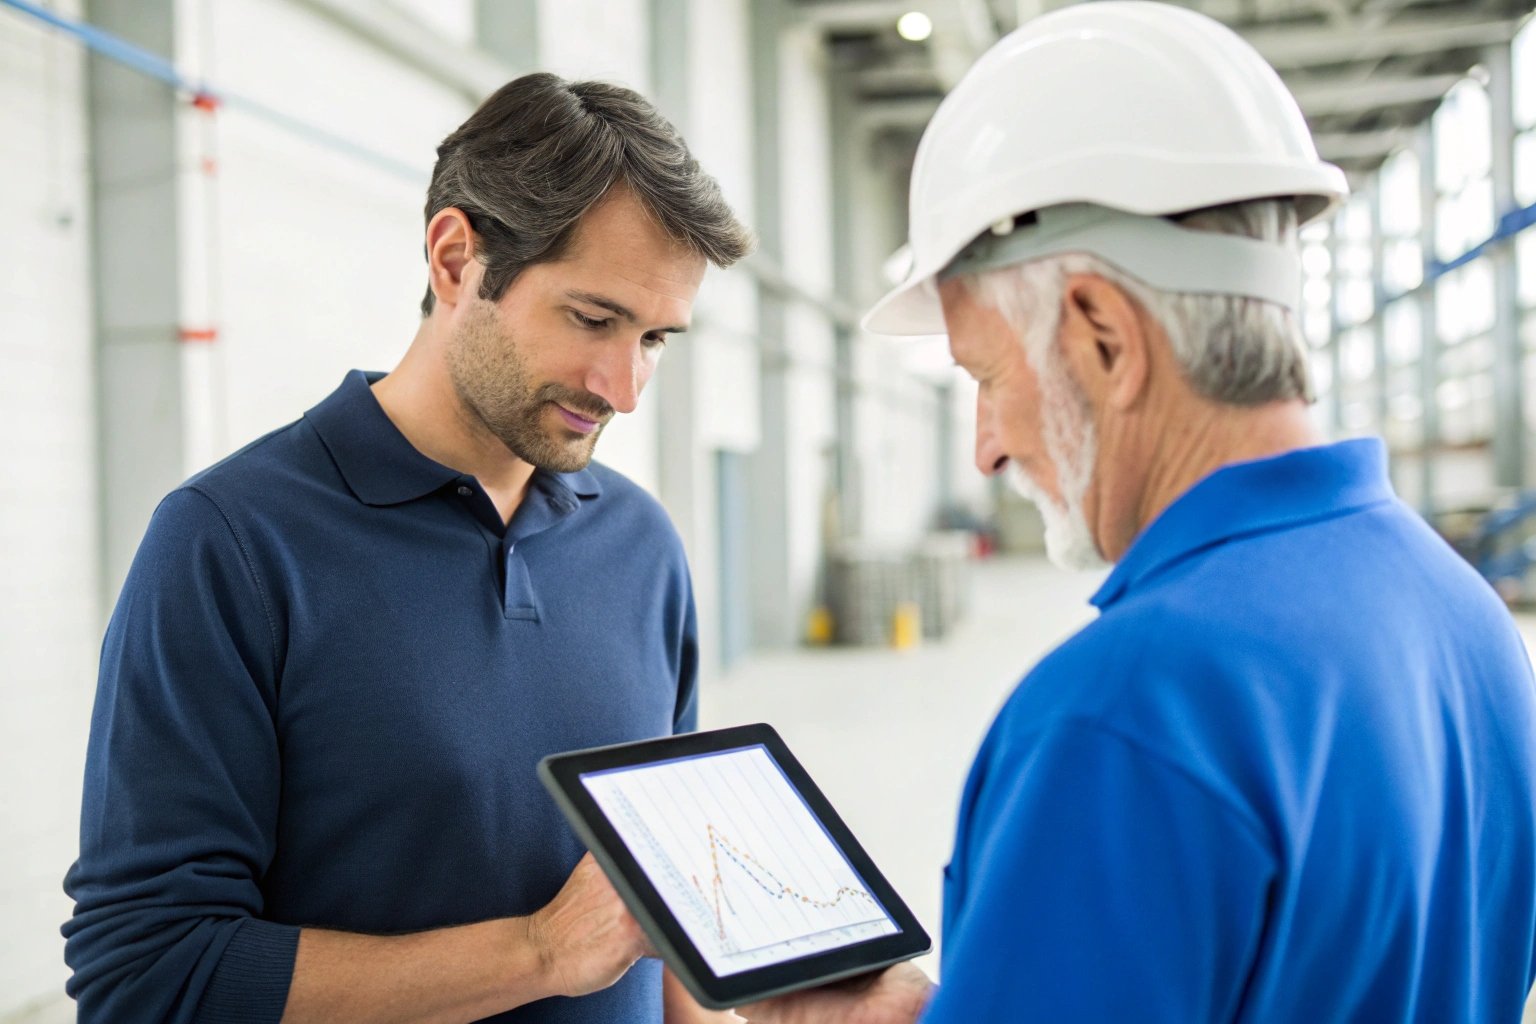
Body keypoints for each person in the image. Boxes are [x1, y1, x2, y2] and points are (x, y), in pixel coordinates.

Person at [741, 3, 1536, 1022]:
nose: (984, 444)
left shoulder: (1128, 711)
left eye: (986, 376)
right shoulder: (1464, 618)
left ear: (1104, 338)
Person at [62, 73, 753, 1024]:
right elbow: (151, 971)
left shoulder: (640, 542)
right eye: (592, 320)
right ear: (456, 257)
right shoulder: (231, 545)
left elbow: (660, 896)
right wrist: (539, 953)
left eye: (657, 338)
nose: (624, 388)